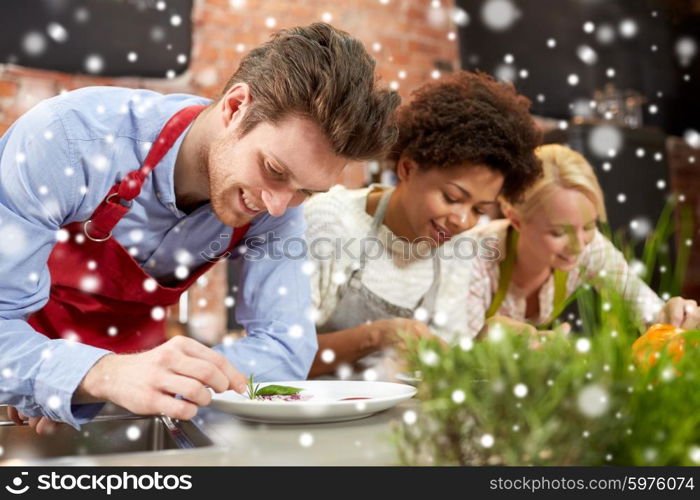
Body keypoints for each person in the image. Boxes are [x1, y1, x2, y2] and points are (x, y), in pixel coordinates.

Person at [0, 23, 400, 433]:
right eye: (274, 170)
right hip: (18, 403)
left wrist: (172, 378)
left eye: (307, 191)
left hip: (141, 414)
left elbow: (287, 348)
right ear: (235, 108)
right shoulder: (68, 140)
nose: (279, 207)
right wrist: (88, 376)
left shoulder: (278, 203)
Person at [303, 71, 542, 379]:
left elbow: (441, 368)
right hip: (312, 416)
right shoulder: (330, 223)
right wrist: (379, 335)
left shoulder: (457, 249)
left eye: (479, 209)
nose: (462, 220)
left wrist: (484, 345)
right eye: (452, 197)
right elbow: (275, 356)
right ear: (407, 167)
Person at [467, 143, 700, 334]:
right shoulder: (474, 255)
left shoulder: (592, 246)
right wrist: (486, 335)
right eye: (559, 232)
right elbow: (450, 348)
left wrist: (671, 315)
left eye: (589, 226)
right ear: (515, 220)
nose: (578, 246)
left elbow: (643, 306)